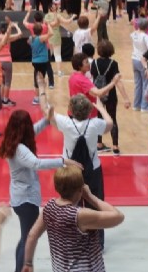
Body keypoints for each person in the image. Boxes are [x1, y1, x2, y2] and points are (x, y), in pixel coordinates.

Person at [0, 109, 78, 272]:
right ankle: (22, 268)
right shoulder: (20, 149)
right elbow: (37, 164)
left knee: (25, 237)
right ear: (24, 128)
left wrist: (46, 119)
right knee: (28, 238)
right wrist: (64, 161)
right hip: (26, 200)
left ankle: (19, 268)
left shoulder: (13, 139)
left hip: (19, 196)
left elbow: (33, 131)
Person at [21, 165, 125, 272]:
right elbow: (118, 216)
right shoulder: (80, 215)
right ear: (81, 190)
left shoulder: (49, 207)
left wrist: (28, 263)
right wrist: (91, 197)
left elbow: (32, 235)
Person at [47, 93, 114, 248]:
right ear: (89, 110)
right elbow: (110, 124)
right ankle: (97, 243)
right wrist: (101, 108)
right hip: (93, 170)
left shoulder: (66, 123)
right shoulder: (95, 123)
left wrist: (44, 92)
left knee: (70, 207)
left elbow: (48, 115)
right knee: (95, 205)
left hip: (70, 172)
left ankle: (73, 240)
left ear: (71, 109)